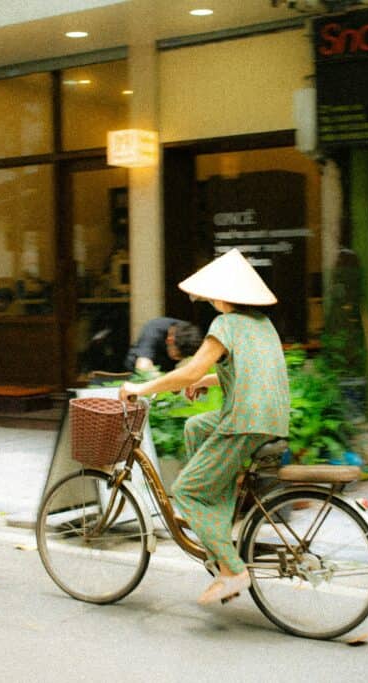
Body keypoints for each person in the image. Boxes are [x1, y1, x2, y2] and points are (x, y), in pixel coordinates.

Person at [119, 248, 289, 606]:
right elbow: (245, 372)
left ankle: (231, 569)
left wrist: (142, 387)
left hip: (244, 420)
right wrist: (208, 382)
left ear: (221, 294)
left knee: (187, 491)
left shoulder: (225, 324)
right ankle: (215, 515)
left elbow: (191, 369)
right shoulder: (261, 324)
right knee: (196, 426)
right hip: (268, 418)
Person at [123, 317, 202, 373]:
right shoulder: (154, 330)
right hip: (138, 369)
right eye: (177, 355)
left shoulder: (189, 334)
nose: (178, 359)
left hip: (168, 370)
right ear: (170, 341)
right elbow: (143, 366)